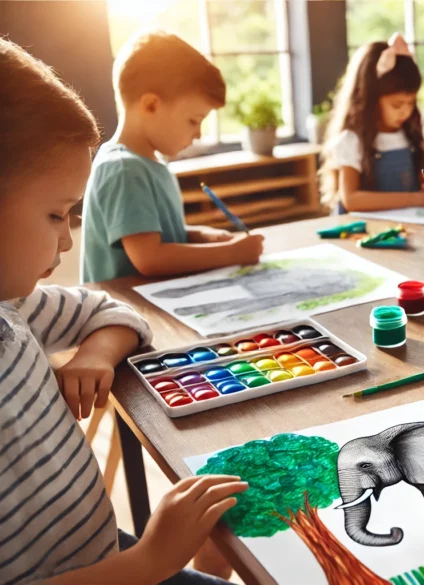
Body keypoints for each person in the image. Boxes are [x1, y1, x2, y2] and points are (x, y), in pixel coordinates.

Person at [0, 37, 246, 584]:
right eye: (55, 215)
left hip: (104, 550)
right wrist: (153, 560)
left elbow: (111, 311)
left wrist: (96, 352)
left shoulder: (12, 309)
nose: (67, 243)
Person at [81, 30, 264, 284]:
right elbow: (150, 258)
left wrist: (202, 236)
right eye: (193, 120)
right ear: (151, 106)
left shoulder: (151, 164)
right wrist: (231, 253)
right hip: (126, 311)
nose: (199, 134)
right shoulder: (124, 169)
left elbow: (154, 236)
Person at [320, 33, 424, 213]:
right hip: (367, 231)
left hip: (408, 225)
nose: (406, 111)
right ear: (370, 101)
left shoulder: (411, 135)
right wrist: (416, 199)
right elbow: (351, 199)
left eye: (411, 103)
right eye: (397, 105)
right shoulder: (352, 140)